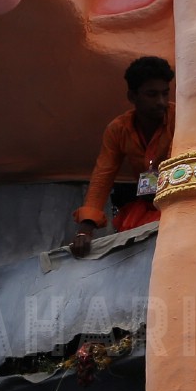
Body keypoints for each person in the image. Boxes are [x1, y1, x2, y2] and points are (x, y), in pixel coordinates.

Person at [73, 55, 174, 251]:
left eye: (165, 93)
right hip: (145, 207)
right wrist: (85, 229)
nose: (161, 102)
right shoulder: (117, 129)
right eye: (152, 95)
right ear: (132, 97)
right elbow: (103, 177)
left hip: (179, 205)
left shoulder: (181, 119)